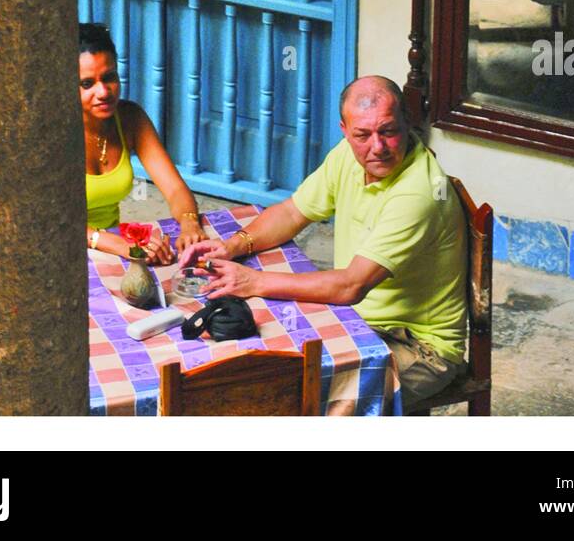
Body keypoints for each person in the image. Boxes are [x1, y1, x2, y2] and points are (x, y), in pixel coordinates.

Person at [179, 75, 468, 414]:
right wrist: (234, 246)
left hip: (418, 347)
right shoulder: (347, 156)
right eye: (363, 135)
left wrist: (255, 281)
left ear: (408, 123)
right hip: (356, 319)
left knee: (296, 398)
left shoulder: (417, 194)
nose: (377, 146)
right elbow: (291, 212)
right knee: (247, 363)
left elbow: (351, 285)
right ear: (344, 130)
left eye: (388, 131)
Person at [80, 22, 204, 264]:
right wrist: (119, 244)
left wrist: (189, 223)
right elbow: (45, 221)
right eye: (87, 84)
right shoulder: (52, 136)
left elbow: (175, 189)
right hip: (61, 252)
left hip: (113, 249)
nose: (104, 92)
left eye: (109, 77)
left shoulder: (129, 118)